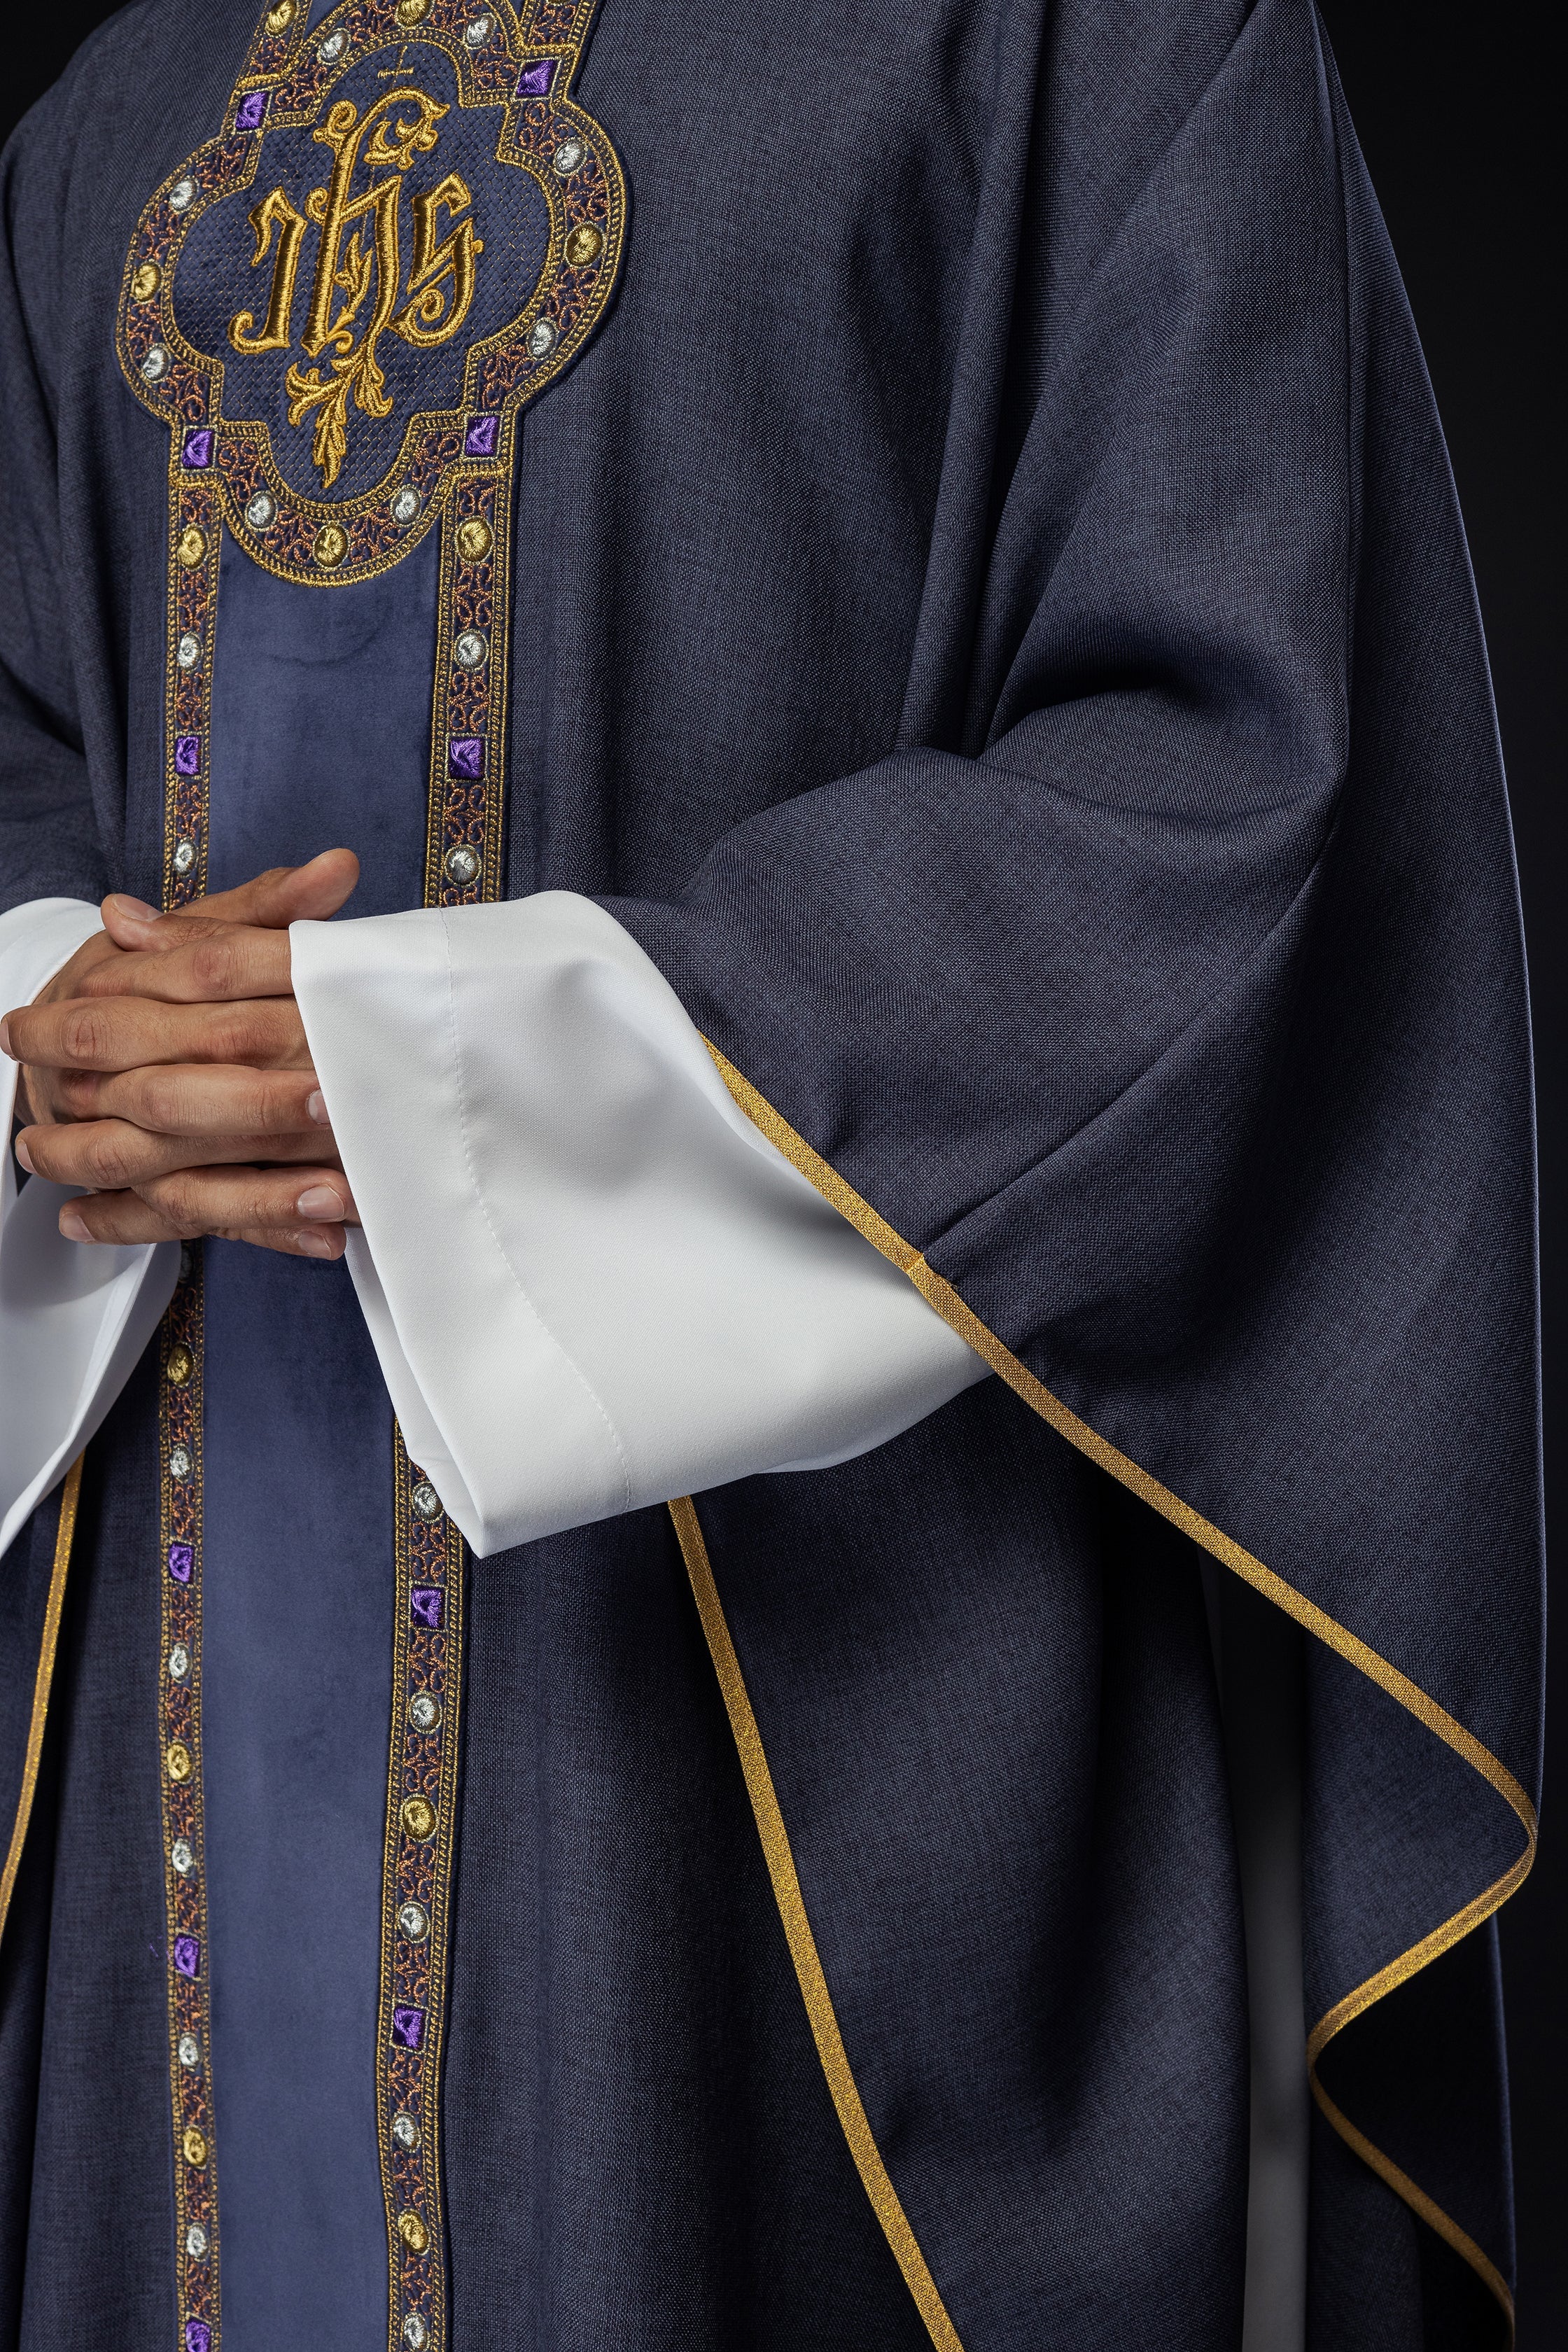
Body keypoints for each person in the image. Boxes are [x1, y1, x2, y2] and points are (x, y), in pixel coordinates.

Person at [0, 0, 1541, 2346]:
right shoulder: (118, 104)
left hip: (813, 1705)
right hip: (167, 1696)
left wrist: (481, 1085)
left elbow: (1229, 782)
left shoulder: (1089, 45)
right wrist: (56, 1024)